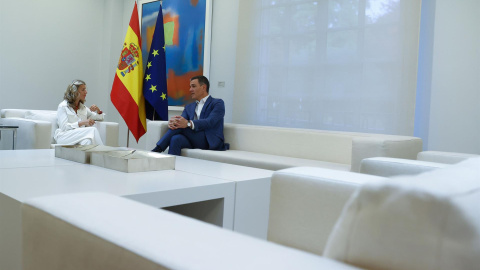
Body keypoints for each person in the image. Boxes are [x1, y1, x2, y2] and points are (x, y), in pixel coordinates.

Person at [152, 75, 229, 155]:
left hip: (209, 140)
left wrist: (188, 123)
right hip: (194, 139)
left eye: (193, 86)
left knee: (181, 127)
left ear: (203, 87)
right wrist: (173, 122)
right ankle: (171, 166)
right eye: (190, 87)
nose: (190, 89)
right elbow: (181, 121)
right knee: (175, 139)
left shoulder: (217, 103)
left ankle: (157, 150)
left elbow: (210, 122)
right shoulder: (189, 107)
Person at [54, 79, 105, 145]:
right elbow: (64, 127)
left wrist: (98, 110)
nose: (86, 92)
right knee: (93, 130)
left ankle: (92, 155)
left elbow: (99, 118)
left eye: (85, 89)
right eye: (83, 90)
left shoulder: (83, 108)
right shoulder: (63, 106)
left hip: (79, 136)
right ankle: (104, 153)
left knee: (87, 142)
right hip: (64, 137)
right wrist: (82, 123)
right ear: (75, 92)